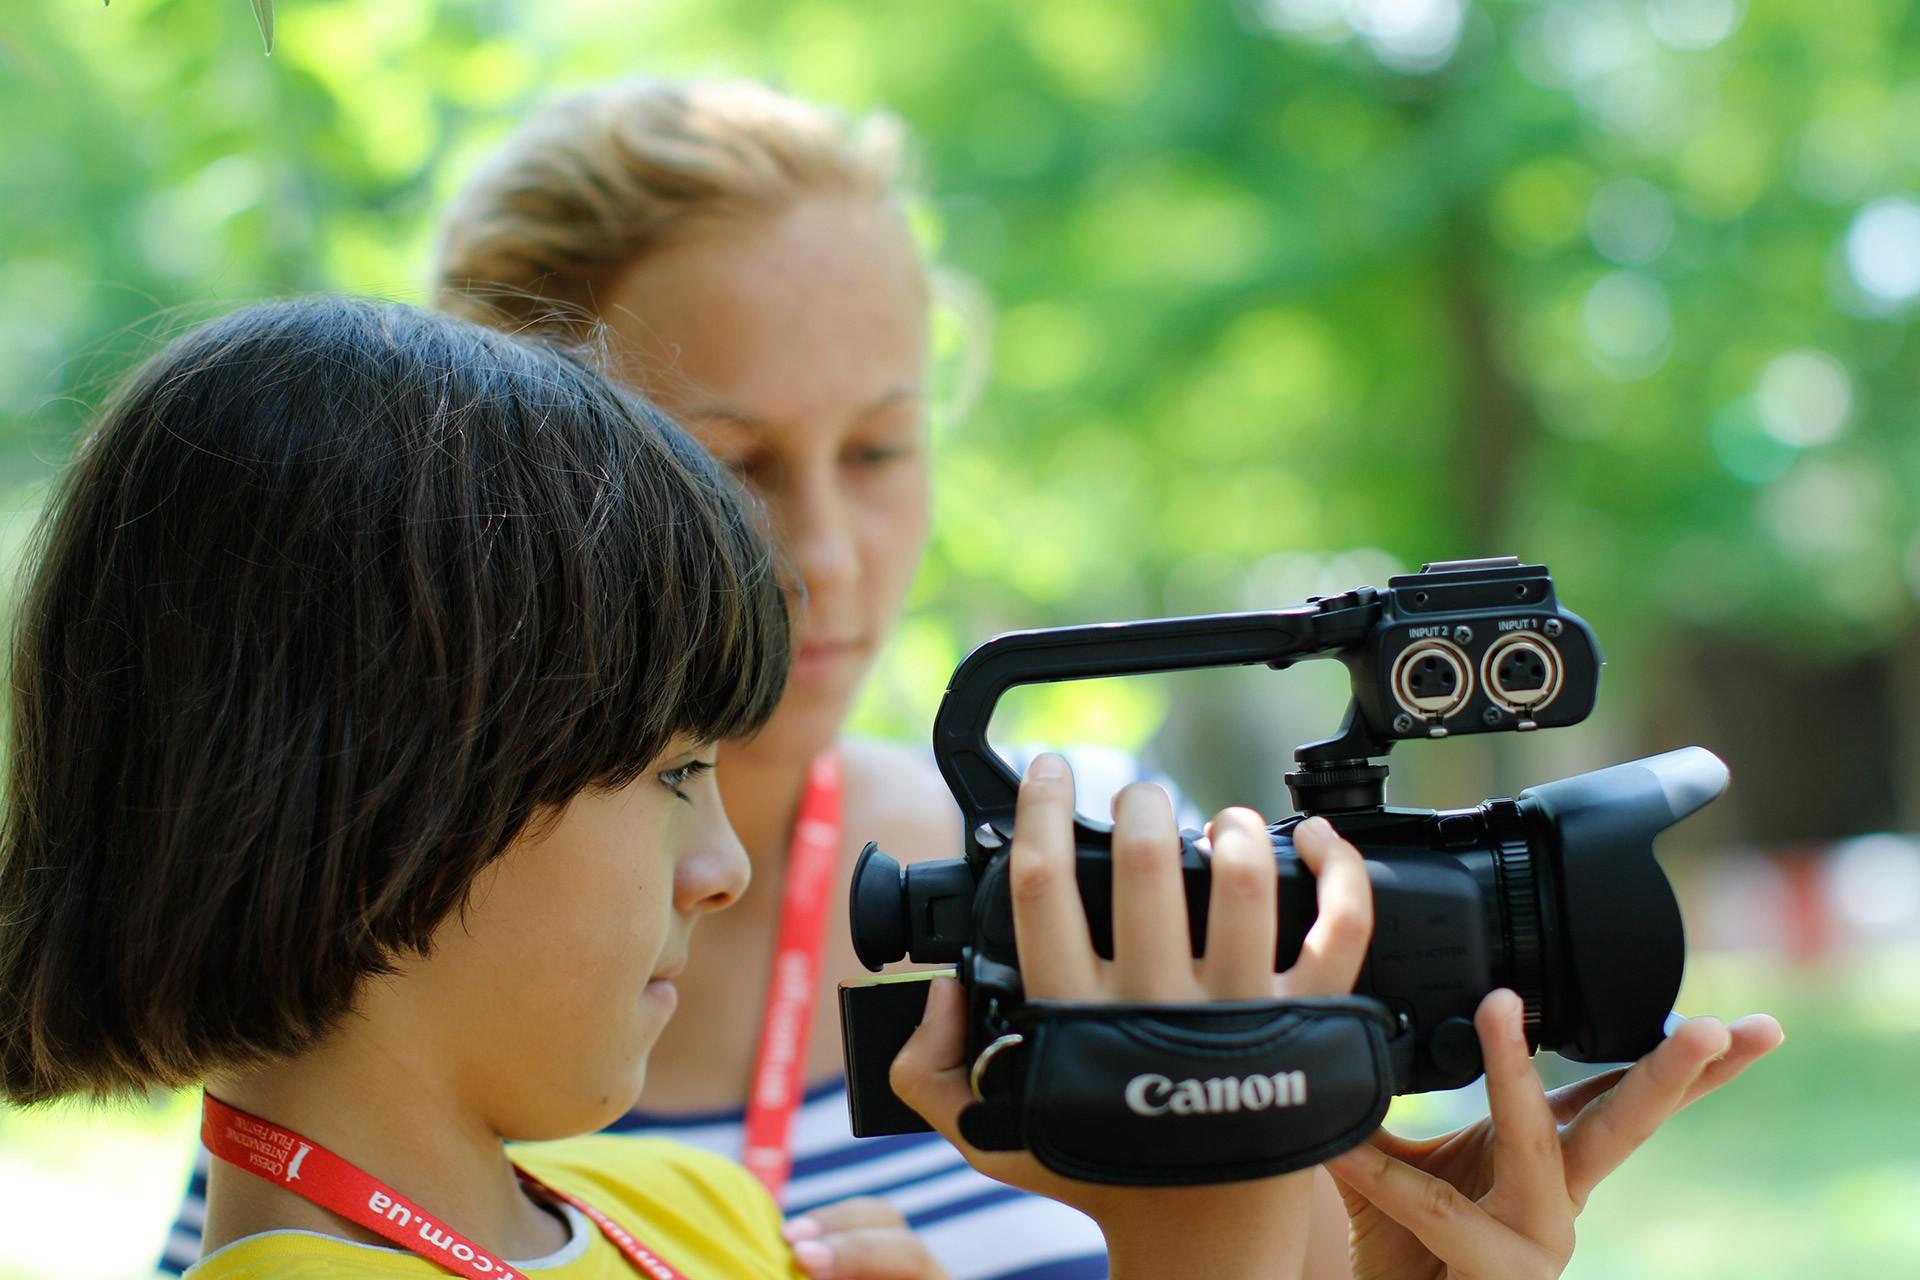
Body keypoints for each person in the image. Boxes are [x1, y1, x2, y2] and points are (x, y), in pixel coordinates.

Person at [0, 295, 1375, 1280]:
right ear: (381, 797)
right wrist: (1201, 1236)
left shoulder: (686, 1211)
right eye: (671, 776)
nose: (722, 864)